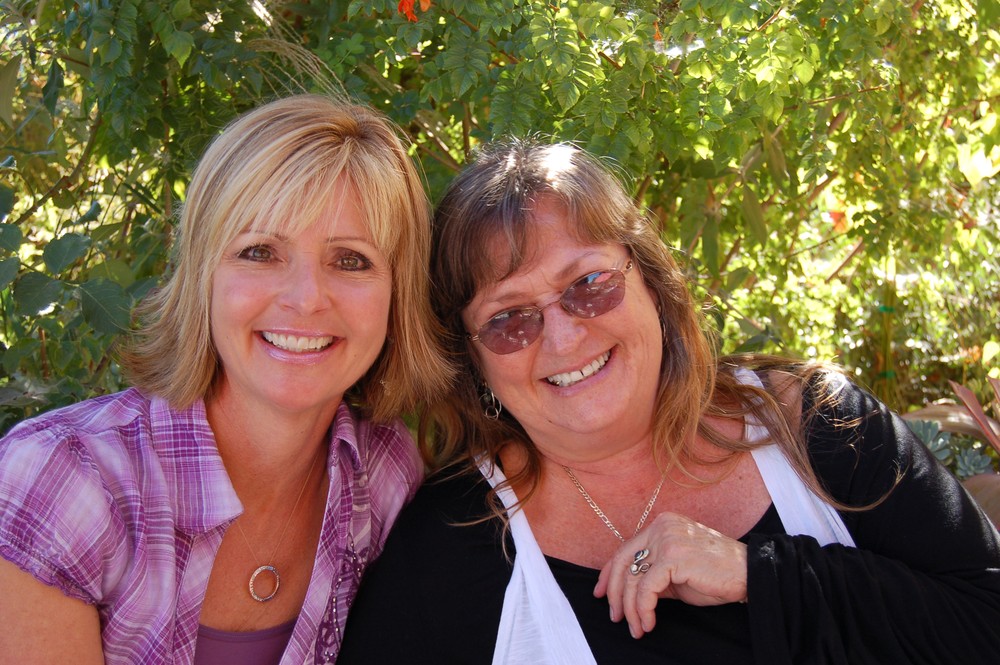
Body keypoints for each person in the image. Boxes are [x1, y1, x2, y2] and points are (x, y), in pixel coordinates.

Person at [337, 140, 1000, 664]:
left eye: (588, 283)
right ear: (473, 359)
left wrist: (758, 575)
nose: (564, 337)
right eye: (509, 319)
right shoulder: (449, 548)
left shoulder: (816, 424)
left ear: (650, 280)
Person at [0, 94, 452, 664]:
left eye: (351, 260)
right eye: (260, 252)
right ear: (203, 275)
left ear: (397, 294)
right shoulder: (65, 484)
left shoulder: (386, 475)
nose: (306, 298)